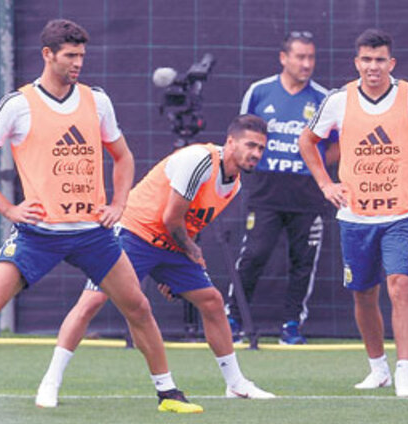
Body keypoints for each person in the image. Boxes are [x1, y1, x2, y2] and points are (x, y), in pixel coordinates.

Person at [0, 19, 200, 422]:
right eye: (70, 55)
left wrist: (119, 203)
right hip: (38, 235)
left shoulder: (96, 100)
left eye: (82, 55)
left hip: (93, 235)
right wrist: (9, 210)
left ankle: (168, 391)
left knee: (137, 307)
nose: (78, 62)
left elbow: (123, 156)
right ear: (47, 55)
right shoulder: (17, 104)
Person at [34, 115, 276, 408]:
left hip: (170, 242)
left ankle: (236, 384)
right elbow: (171, 218)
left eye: (261, 148)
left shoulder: (234, 185)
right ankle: (50, 383)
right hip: (134, 233)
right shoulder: (199, 160)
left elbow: (188, 225)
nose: (256, 153)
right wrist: (191, 252)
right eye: (251, 145)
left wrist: (172, 271)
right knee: (91, 303)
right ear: (230, 142)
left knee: (211, 300)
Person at [298, 28, 408, 397]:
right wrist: (325, 183)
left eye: (380, 60)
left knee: (401, 285)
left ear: (391, 63)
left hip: (402, 214)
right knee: (363, 293)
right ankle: (377, 368)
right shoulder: (339, 100)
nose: (373, 66)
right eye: (366, 60)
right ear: (357, 63)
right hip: (355, 217)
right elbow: (308, 140)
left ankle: (404, 371)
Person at [226, 31, 337, 345]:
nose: (306, 63)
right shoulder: (259, 92)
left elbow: (336, 145)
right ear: (283, 58)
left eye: (311, 57)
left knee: (304, 260)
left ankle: (291, 324)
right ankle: (234, 317)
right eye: (300, 57)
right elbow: (241, 135)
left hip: (307, 192)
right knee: (255, 254)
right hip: (266, 189)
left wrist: (313, 166)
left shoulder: (323, 98)